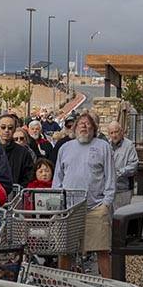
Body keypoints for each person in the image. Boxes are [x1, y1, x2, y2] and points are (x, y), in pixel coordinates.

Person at [53, 111, 115, 277]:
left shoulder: (104, 147)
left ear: (94, 129)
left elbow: (110, 177)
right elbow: (57, 177)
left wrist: (106, 204)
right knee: (65, 251)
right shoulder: (64, 148)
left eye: (88, 124)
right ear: (74, 128)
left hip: (95, 208)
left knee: (102, 250)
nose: (84, 127)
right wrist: (58, 203)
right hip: (69, 210)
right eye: (81, 124)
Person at [0, 112, 36, 187]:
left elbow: (29, 176)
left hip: (16, 194)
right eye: (3, 127)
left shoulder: (23, 152)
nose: (6, 130)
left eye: (10, 128)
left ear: (14, 129)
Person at [106, 120, 139, 209]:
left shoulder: (129, 145)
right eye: (111, 133)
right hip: (109, 191)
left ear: (121, 131)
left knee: (121, 218)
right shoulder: (106, 146)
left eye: (116, 132)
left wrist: (119, 172)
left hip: (123, 189)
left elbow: (134, 165)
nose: (114, 135)